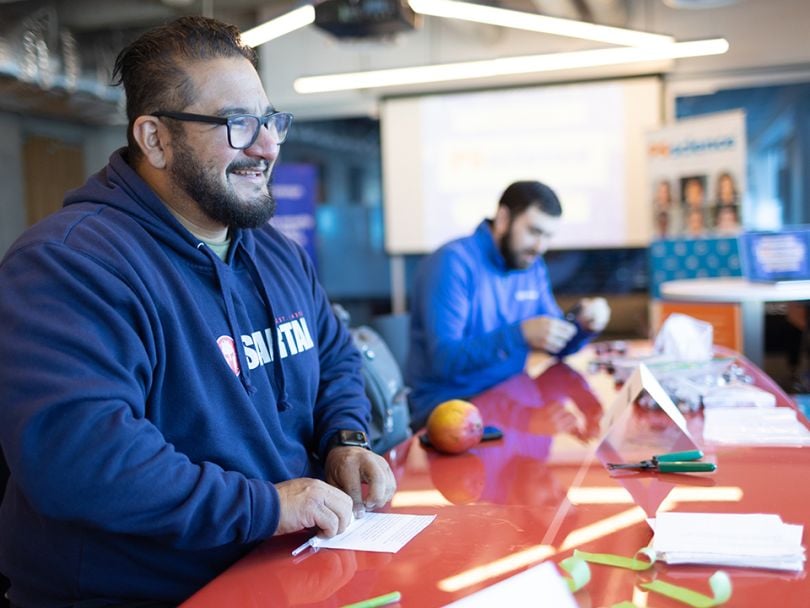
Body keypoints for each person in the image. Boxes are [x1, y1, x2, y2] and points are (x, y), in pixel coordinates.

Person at [0, 16, 396, 607]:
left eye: (269, 121)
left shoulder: (274, 251)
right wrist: (268, 506)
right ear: (155, 139)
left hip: (281, 568)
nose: (266, 146)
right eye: (237, 124)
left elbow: (334, 352)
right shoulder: (68, 265)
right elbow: (84, 461)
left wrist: (344, 438)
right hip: (149, 594)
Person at [406, 181, 611, 429]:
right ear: (503, 219)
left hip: (512, 397)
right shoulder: (452, 264)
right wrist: (521, 334)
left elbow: (557, 344)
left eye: (548, 236)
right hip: (453, 410)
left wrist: (584, 325)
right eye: (534, 231)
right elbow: (445, 360)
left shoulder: (530, 264)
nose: (540, 247)